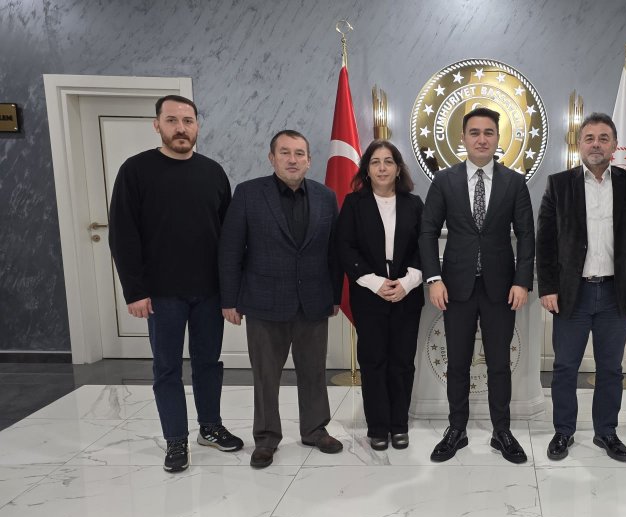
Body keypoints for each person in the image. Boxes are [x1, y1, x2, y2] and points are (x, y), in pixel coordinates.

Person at [109, 94, 243, 473]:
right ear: (157, 125)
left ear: (197, 126)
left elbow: (228, 238)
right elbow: (122, 234)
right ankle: (175, 440)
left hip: (209, 292)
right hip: (161, 294)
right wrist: (135, 290)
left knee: (208, 363)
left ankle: (210, 428)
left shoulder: (213, 172)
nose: (181, 128)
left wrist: (230, 290)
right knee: (167, 368)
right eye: (172, 120)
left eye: (188, 121)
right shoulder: (135, 171)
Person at [218, 130, 343, 469]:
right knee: (266, 376)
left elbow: (334, 252)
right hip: (263, 302)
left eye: (299, 153)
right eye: (285, 152)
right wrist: (229, 299)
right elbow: (230, 249)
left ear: (309, 160)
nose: (292, 159)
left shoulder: (325, 196)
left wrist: (334, 295)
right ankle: (266, 438)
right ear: (271, 158)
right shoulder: (248, 194)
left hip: (313, 301)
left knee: (314, 372)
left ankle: (315, 430)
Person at [419, 107, 535, 464]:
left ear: (498, 138)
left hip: (501, 288)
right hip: (456, 288)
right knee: (457, 362)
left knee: (499, 363)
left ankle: (502, 431)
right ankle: (457, 429)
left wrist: (522, 282)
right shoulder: (444, 181)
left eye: (488, 132)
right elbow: (427, 232)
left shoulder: (514, 182)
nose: (482, 139)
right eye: (474, 132)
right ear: (463, 138)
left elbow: (527, 235)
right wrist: (434, 278)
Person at [536, 112, 626, 462]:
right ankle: (563, 431)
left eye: (604, 138)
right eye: (589, 138)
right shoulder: (559, 184)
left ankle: (606, 432)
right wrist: (548, 287)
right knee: (565, 367)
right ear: (579, 144)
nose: (596, 144)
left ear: (615, 145)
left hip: (616, 293)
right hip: (573, 293)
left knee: (611, 369)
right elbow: (546, 241)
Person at [336, 140, 424, 451]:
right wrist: (374, 282)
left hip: (406, 295)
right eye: (375, 162)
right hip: (369, 294)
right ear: (367, 170)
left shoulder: (414, 204)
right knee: (373, 361)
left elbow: (423, 247)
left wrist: (408, 282)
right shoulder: (353, 203)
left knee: (402, 362)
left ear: (398, 169)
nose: (382, 168)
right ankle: (377, 427)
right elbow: (345, 247)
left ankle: (399, 425)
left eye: (388, 161)